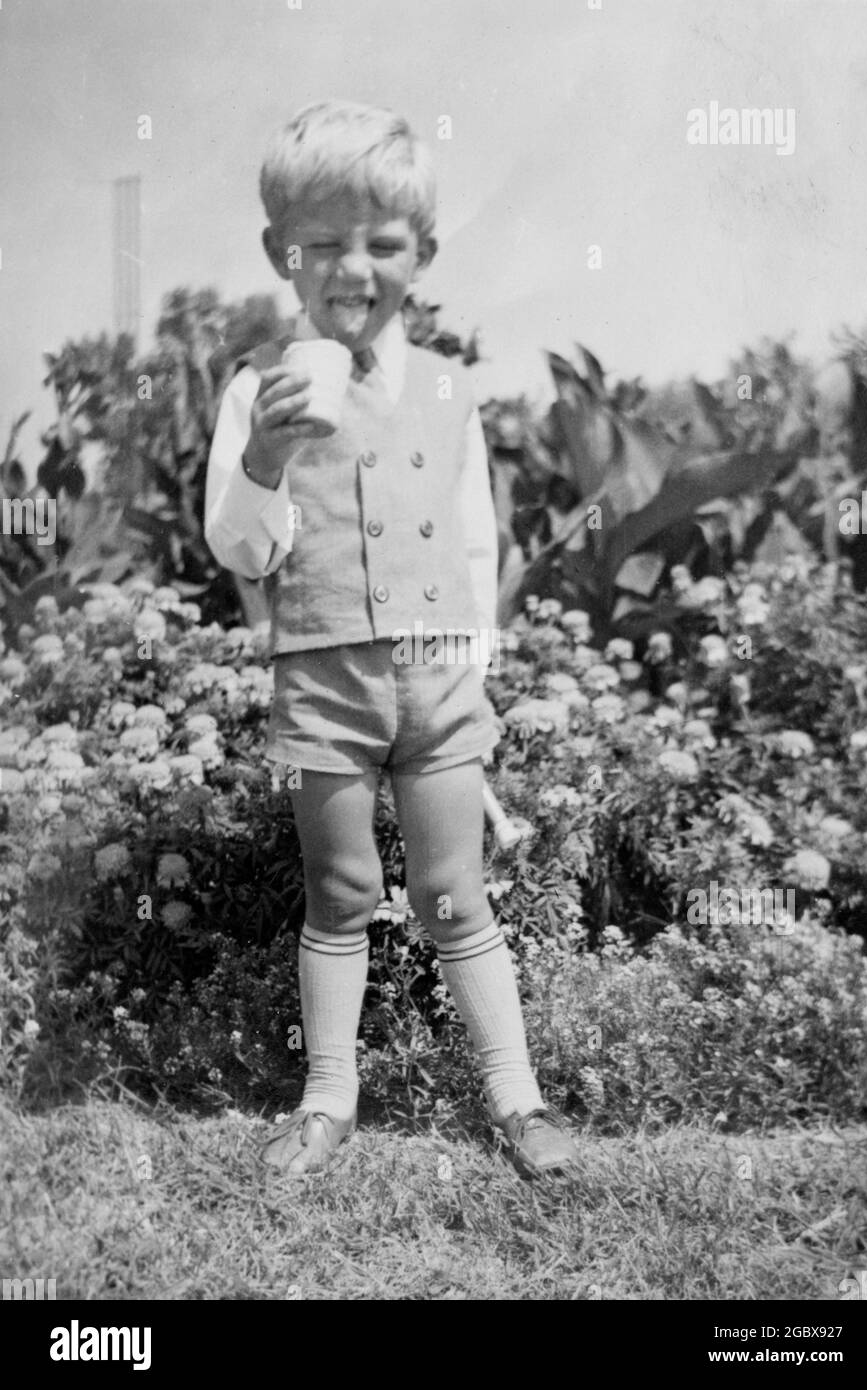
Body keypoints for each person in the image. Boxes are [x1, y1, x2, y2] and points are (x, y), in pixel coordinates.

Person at [205, 99, 579, 1178]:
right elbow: (239, 543)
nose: (352, 266)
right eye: (322, 242)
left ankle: (517, 1100)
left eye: (379, 242)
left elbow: (473, 542)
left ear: (420, 251)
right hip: (324, 678)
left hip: (437, 683)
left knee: (454, 892)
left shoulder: (451, 390)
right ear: (283, 253)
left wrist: (477, 677)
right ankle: (326, 1099)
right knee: (339, 890)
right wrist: (266, 457)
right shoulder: (253, 390)